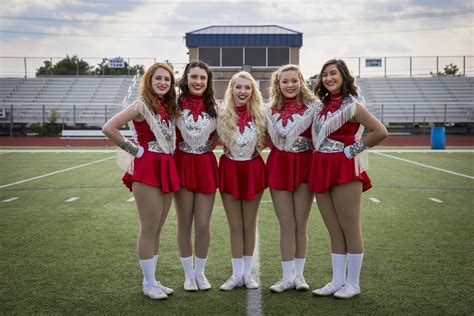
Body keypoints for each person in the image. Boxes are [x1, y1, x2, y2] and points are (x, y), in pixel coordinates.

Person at [309, 59, 388, 299]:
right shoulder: (320, 106)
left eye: (333, 73)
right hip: (321, 166)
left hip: (344, 168)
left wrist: (350, 151)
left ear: (344, 76)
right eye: (325, 74)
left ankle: (353, 284)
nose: (328, 78)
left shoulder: (353, 106)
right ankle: (337, 281)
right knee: (333, 229)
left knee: (350, 228)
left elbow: (380, 131)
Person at [101, 62, 180, 300]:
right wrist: (134, 150)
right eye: (158, 78)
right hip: (147, 167)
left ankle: (153, 279)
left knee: (157, 229)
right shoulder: (140, 105)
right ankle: (147, 283)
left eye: (167, 79)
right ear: (149, 80)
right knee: (148, 228)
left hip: (166, 165)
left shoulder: (168, 107)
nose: (163, 83)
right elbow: (109, 127)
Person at [266, 64, 318, 293]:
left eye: (294, 80)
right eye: (284, 81)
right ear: (278, 85)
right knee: (286, 223)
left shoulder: (314, 107)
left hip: (305, 165)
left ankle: (299, 276)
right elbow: (263, 137)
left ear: (301, 81)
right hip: (279, 166)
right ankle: (286, 277)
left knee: (301, 222)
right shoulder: (269, 110)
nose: (289, 85)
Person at [216, 71, 267, 291]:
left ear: (253, 91)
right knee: (235, 225)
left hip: (253, 168)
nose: (243, 91)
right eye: (239, 87)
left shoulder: (262, 114)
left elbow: (272, 140)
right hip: (229, 168)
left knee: (249, 224)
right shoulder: (221, 113)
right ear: (231, 90)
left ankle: (247, 274)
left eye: (248, 87)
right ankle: (236, 275)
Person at [174, 61, 218, 291]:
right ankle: (188, 275)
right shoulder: (174, 104)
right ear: (186, 78)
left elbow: (220, 135)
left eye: (202, 77)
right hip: (181, 164)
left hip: (205, 166)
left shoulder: (216, 107)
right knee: (184, 223)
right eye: (194, 77)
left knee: (202, 224)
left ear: (208, 81)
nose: (198, 81)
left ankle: (200, 273)